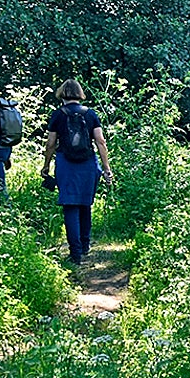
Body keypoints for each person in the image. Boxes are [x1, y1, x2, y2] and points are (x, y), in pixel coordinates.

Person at [41, 79, 113, 265]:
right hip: (88, 163)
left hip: (66, 163)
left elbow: (50, 144)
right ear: (80, 94)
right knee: (85, 204)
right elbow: (100, 141)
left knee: (70, 206)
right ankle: (85, 245)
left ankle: (75, 253)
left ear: (62, 94)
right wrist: (106, 168)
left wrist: (46, 165)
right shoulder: (90, 114)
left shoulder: (58, 115)